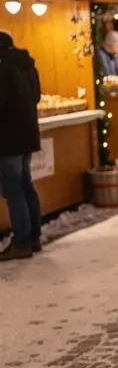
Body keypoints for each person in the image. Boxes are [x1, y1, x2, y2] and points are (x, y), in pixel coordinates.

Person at [0, 31, 43, 261]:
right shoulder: (27, 65)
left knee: (13, 190)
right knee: (26, 186)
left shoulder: (3, 69)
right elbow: (37, 97)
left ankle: (22, 241)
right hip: (27, 135)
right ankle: (34, 236)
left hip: (8, 138)